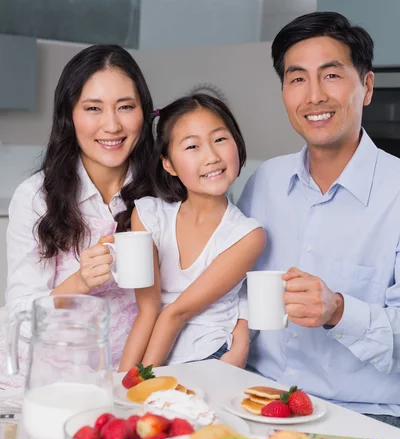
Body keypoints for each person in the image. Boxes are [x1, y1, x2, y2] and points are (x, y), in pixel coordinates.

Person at [239, 12, 400, 427]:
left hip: (364, 414)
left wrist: (339, 310)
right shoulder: (264, 182)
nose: (313, 96)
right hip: (259, 396)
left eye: (330, 75)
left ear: (365, 87)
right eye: (297, 79)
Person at [2, 44, 154, 386]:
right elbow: (20, 320)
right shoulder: (36, 198)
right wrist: (80, 283)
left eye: (126, 107)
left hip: (137, 377)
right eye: (93, 108)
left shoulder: (162, 193)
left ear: (144, 113)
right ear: (69, 115)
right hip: (52, 378)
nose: (112, 125)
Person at [119, 94, 266, 370]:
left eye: (220, 139)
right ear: (168, 164)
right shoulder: (149, 216)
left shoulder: (247, 235)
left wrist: (139, 383)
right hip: (158, 351)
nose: (211, 156)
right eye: (192, 146)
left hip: (211, 357)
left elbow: (177, 312)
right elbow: (148, 311)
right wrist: (121, 384)